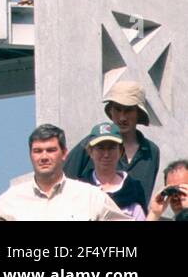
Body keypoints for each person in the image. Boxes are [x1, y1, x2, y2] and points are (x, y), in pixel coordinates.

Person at [0, 123, 130, 221]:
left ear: (64, 154)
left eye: (50, 150)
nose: (43, 157)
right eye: (37, 151)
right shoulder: (12, 199)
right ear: (30, 155)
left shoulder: (90, 197)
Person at [63, 81, 160, 209]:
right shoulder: (90, 144)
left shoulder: (151, 152)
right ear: (111, 111)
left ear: (138, 113)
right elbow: (64, 182)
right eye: (118, 110)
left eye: (128, 110)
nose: (122, 117)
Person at [83, 121, 146, 219]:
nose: (106, 154)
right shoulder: (80, 188)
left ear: (120, 151)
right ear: (90, 151)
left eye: (111, 148)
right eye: (100, 148)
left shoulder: (134, 190)